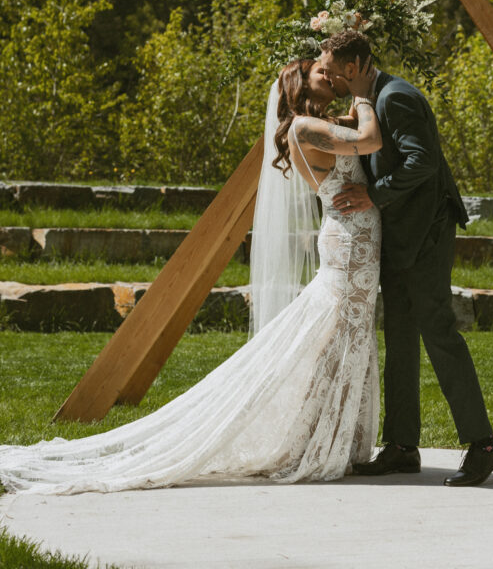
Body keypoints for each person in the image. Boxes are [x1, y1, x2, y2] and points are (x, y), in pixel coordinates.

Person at [0, 58, 383, 495]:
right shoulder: (304, 128)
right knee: (329, 336)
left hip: (356, 242)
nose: (330, 75)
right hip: (347, 247)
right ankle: (313, 440)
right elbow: (368, 138)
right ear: (301, 85)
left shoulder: (321, 124)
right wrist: (363, 91)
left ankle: (328, 436)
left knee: (343, 339)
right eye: (321, 71)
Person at [318, 29, 493, 487]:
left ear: (351, 67)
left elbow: (422, 161)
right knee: (400, 335)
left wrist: (372, 196)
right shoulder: (373, 98)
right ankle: (402, 445)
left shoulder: (396, 97)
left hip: (425, 235)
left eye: (330, 69)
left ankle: (484, 445)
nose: (329, 77)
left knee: (438, 331)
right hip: (400, 237)